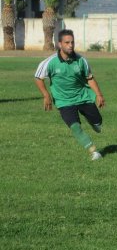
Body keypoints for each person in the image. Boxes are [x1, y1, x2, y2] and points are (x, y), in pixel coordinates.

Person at [34, 29, 105, 161]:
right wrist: (46, 95)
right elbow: (38, 78)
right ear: (60, 44)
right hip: (64, 101)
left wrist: (99, 95)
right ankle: (94, 151)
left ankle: (94, 122)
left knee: (98, 124)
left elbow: (89, 78)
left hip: (83, 97)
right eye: (67, 42)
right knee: (75, 127)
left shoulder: (81, 60)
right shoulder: (50, 62)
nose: (70, 45)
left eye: (72, 42)